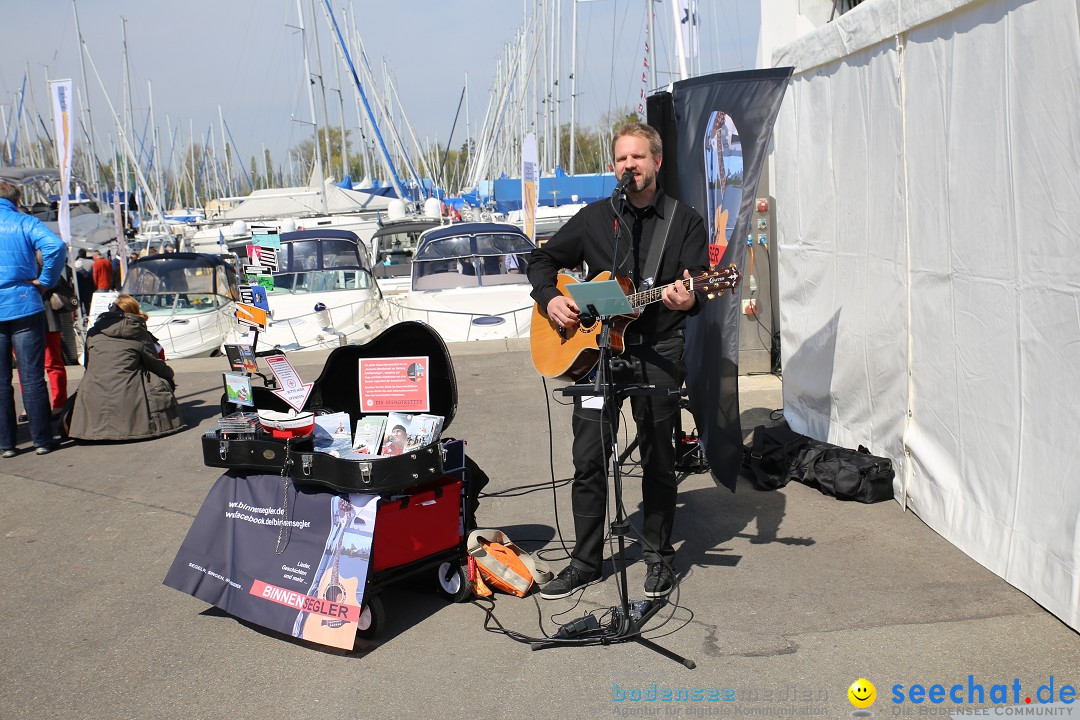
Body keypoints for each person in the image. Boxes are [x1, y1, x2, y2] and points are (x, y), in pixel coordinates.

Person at [526, 122, 708, 600]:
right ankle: (585, 562)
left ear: (657, 162)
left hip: (658, 352)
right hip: (597, 354)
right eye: (622, 159)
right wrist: (550, 300)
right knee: (588, 460)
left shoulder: (684, 221)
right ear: (614, 166)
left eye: (638, 158)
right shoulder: (595, 218)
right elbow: (540, 261)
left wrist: (686, 299)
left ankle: (657, 557)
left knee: (658, 459)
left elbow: (698, 287)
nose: (630, 166)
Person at [0, 180, 66, 456]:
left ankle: (6, 444)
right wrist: (45, 281)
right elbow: (55, 246)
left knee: (1, 381)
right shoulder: (24, 222)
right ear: (16, 200)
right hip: (25, 302)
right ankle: (41, 439)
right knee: (32, 376)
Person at [67, 294, 183, 441]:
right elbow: (155, 365)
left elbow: (88, 365)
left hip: (94, 398)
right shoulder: (139, 333)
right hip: (130, 401)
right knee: (162, 379)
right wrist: (169, 377)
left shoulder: (93, 332)